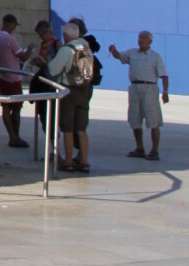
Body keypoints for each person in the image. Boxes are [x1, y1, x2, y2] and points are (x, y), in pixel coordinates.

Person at [108, 31, 169, 160]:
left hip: (150, 88)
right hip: (135, 88)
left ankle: (154, 150)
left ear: (150, 42)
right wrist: (114, 52)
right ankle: (139, 148)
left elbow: (164, 75)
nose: (140, 40)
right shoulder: (132, 53)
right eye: (139, 37)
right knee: (134, 119)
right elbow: (120, 56)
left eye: (143, 38)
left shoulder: (155, 57)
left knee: (154, 121)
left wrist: (165, 92)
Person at [47, 21, 93, 172]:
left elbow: (53, 70)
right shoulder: (86, 48)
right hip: (84, 90)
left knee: (67, 128)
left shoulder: (67, 50)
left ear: (66, 35)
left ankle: (68, 161)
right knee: (81, 128)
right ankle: (84, 161)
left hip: (68, 91)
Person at [0, 13, 31, 147]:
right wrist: (30, 49)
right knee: (17, 107)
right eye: (13, 25)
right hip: (13, 77)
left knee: (6, 106)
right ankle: (15, 137)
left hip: (1, 75)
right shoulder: (9, 39)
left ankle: (12, 136)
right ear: (8, 23)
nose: (14, 28)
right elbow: (23, 56)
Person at [68, 15, 101, 162]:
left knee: (73, 124)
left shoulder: (74, 46)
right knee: (81, 125)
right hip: (87, 86)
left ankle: (74, 157)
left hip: (76, 86)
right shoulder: (89, 44)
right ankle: (82, 157)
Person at [28, 19, 59, 147]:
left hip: (51, 84)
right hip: (43, 81)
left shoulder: (57, 44)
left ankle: (56, 149)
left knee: (51, 117)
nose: (39, 37)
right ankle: (52, 147)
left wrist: (45, 64)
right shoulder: (43, 45)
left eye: (40, 34)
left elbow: (57, 65)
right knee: (44, 117)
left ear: (47, 32)